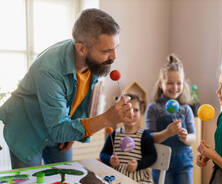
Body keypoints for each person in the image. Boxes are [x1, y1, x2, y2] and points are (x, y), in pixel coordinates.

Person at [0, 8, 134, 169]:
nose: (114, 57)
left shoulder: (94, 62)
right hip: (27, 131)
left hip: (58, 127)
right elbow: (58, 129)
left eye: (115, 48)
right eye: (106, 51)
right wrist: (107, 118)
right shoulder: (49, 69)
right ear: (81, 49)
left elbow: (80, 98)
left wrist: (74, 129)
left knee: (65, 180)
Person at [144, 54, 196, 184]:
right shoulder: (153, 108)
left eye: (179, 83)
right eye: (170, 83)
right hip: (161, 164)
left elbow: (193, 137)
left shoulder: (186, 109)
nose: (175, 87)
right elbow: (149, 139)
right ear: (161, 83)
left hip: (184, 163)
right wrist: (167, 133)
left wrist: (186, 137)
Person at [100, 93, 157, 184]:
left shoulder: (144, 135)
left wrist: (138, 164)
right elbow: (103, 154)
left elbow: (152, 156)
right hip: (117, 176)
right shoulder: (114, 134)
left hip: (138, 177)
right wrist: (110, 159)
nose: (131, 113)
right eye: (127, 110)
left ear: (141, 113)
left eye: (136, 110)